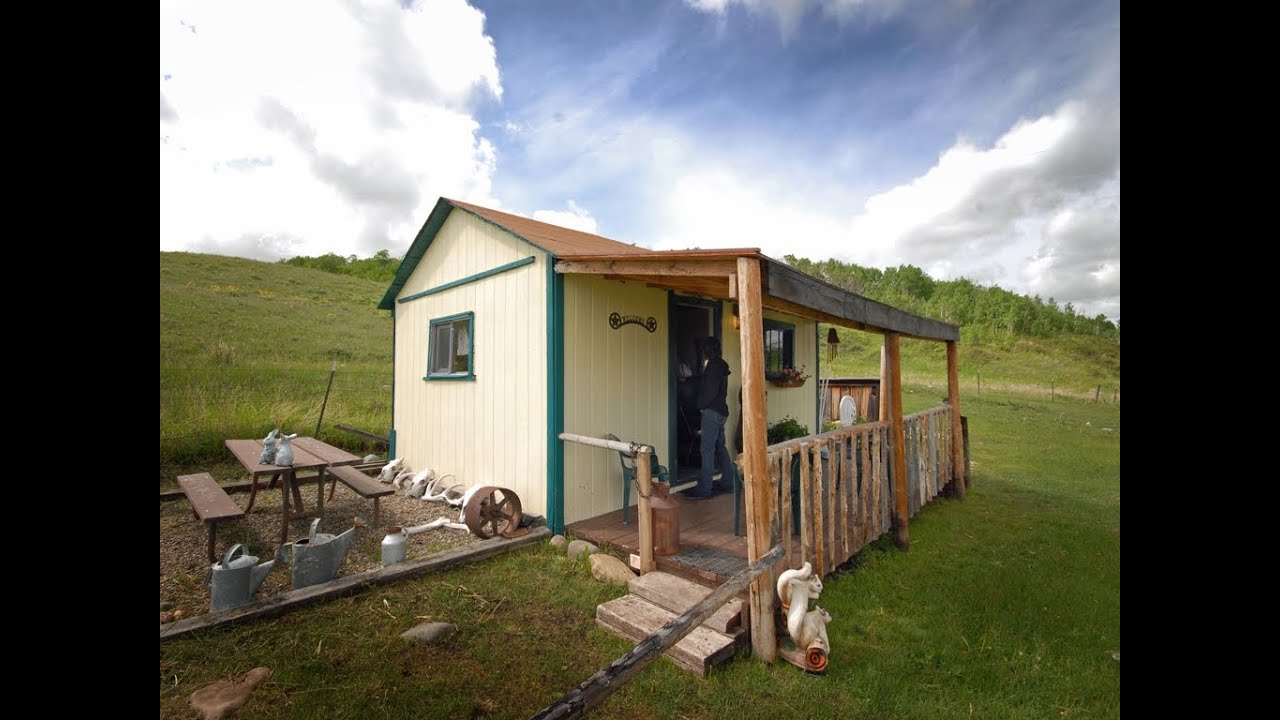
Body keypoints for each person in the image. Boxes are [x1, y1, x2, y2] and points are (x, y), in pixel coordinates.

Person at [686, 336, 735, 499]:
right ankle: (729, 482)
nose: (702, 352)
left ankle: (705, 488)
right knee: (720, 447)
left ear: (708, 349)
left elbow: (710, 391)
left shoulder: (713, 367)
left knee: (707, 450)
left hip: (712, 413)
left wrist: (700, 405)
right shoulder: (721, 364)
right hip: (721, 411)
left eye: (703, 349)